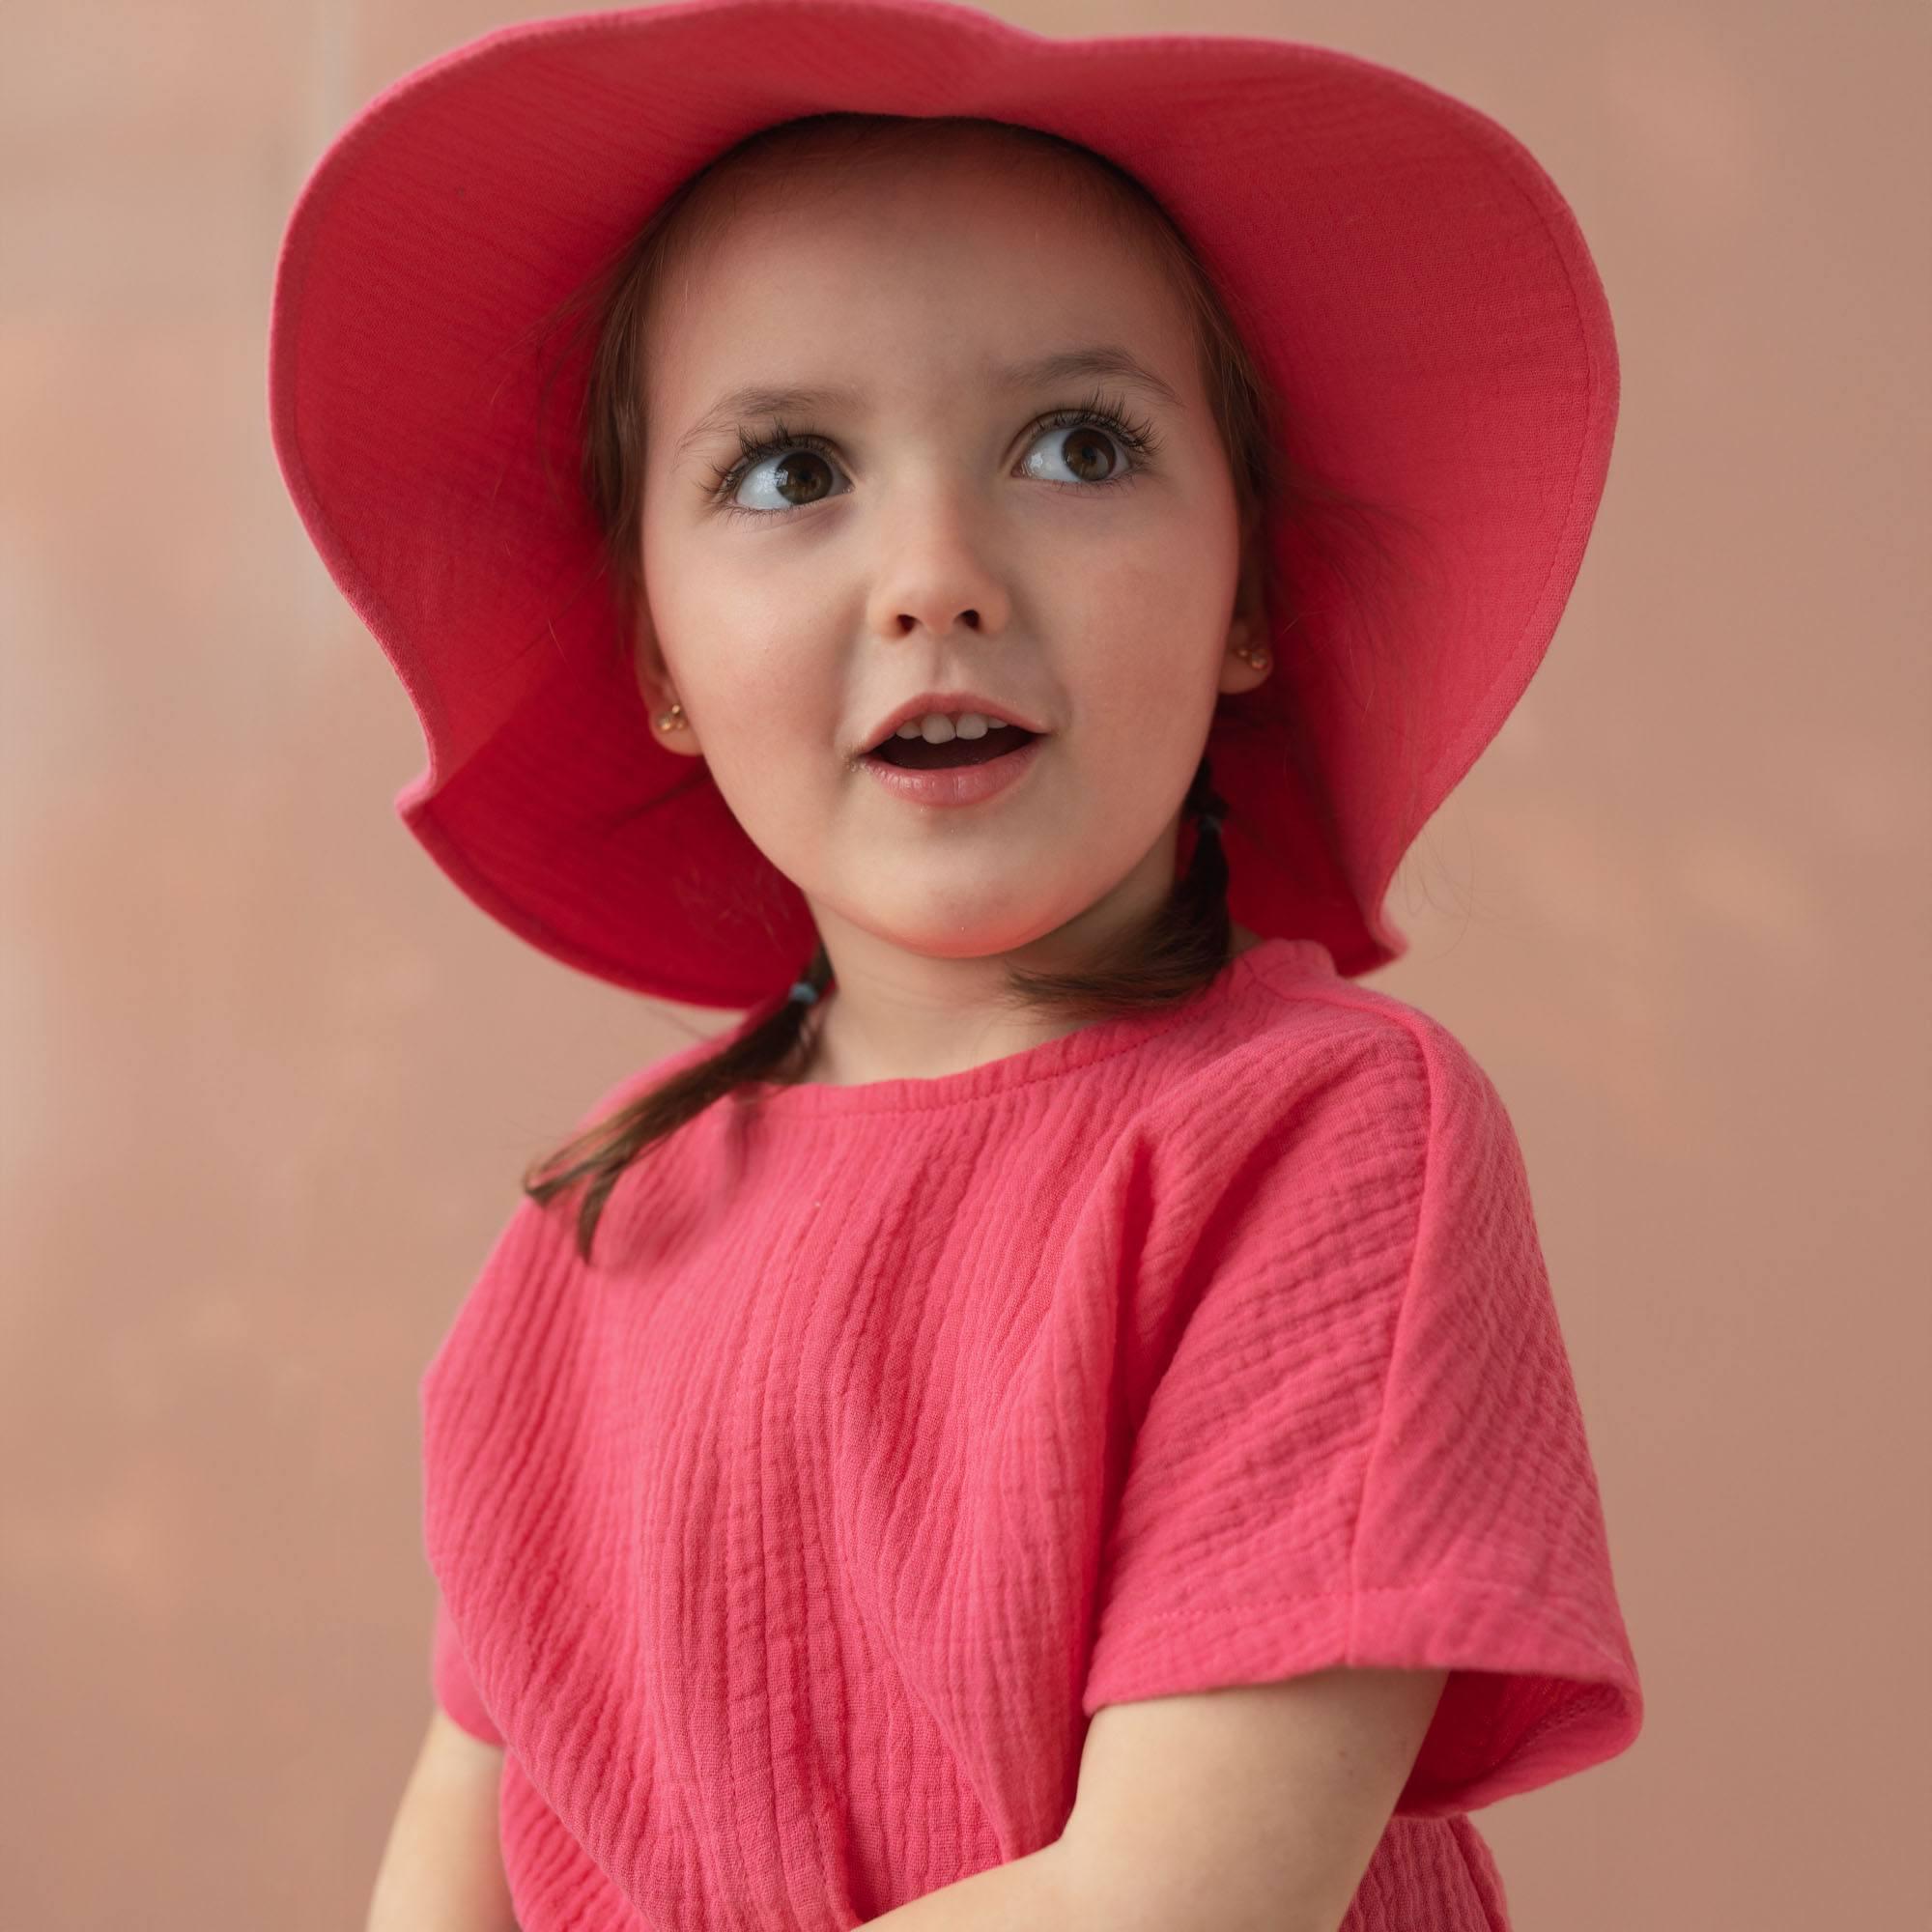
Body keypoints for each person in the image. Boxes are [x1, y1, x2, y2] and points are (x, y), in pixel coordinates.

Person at [267, 5, 1644, 1928]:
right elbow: (462, 1842)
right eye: (787, 469)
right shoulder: (602, 1220)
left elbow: (1171, 1900)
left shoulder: (1325, 1146)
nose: (936, 570)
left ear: (1247, 591)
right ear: (656, 654)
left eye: (1077, 445)